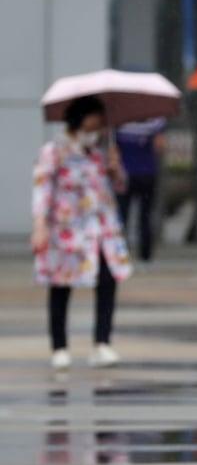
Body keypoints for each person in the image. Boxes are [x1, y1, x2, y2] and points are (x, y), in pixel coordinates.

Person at [31, 96, 133, 370]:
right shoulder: (55, 151)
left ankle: (102, 343)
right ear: (79, 120)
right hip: (67, 230)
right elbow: (42, 187)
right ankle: (60, 347)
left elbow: (119, 188)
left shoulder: (100, 153)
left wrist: (116, 169)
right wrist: (39, 225)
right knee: (61, 285)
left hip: (100, 229)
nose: (97, 129)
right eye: (93, 122)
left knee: (108, 281)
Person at [114, 117, 167, 263]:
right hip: (147, 174)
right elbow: (160, 146)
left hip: (124, 175)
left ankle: (119, 251)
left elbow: (113, 149)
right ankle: (145, 253)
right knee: (146, 215)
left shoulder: (118, 123)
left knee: (122, 214)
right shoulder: (155, 122)